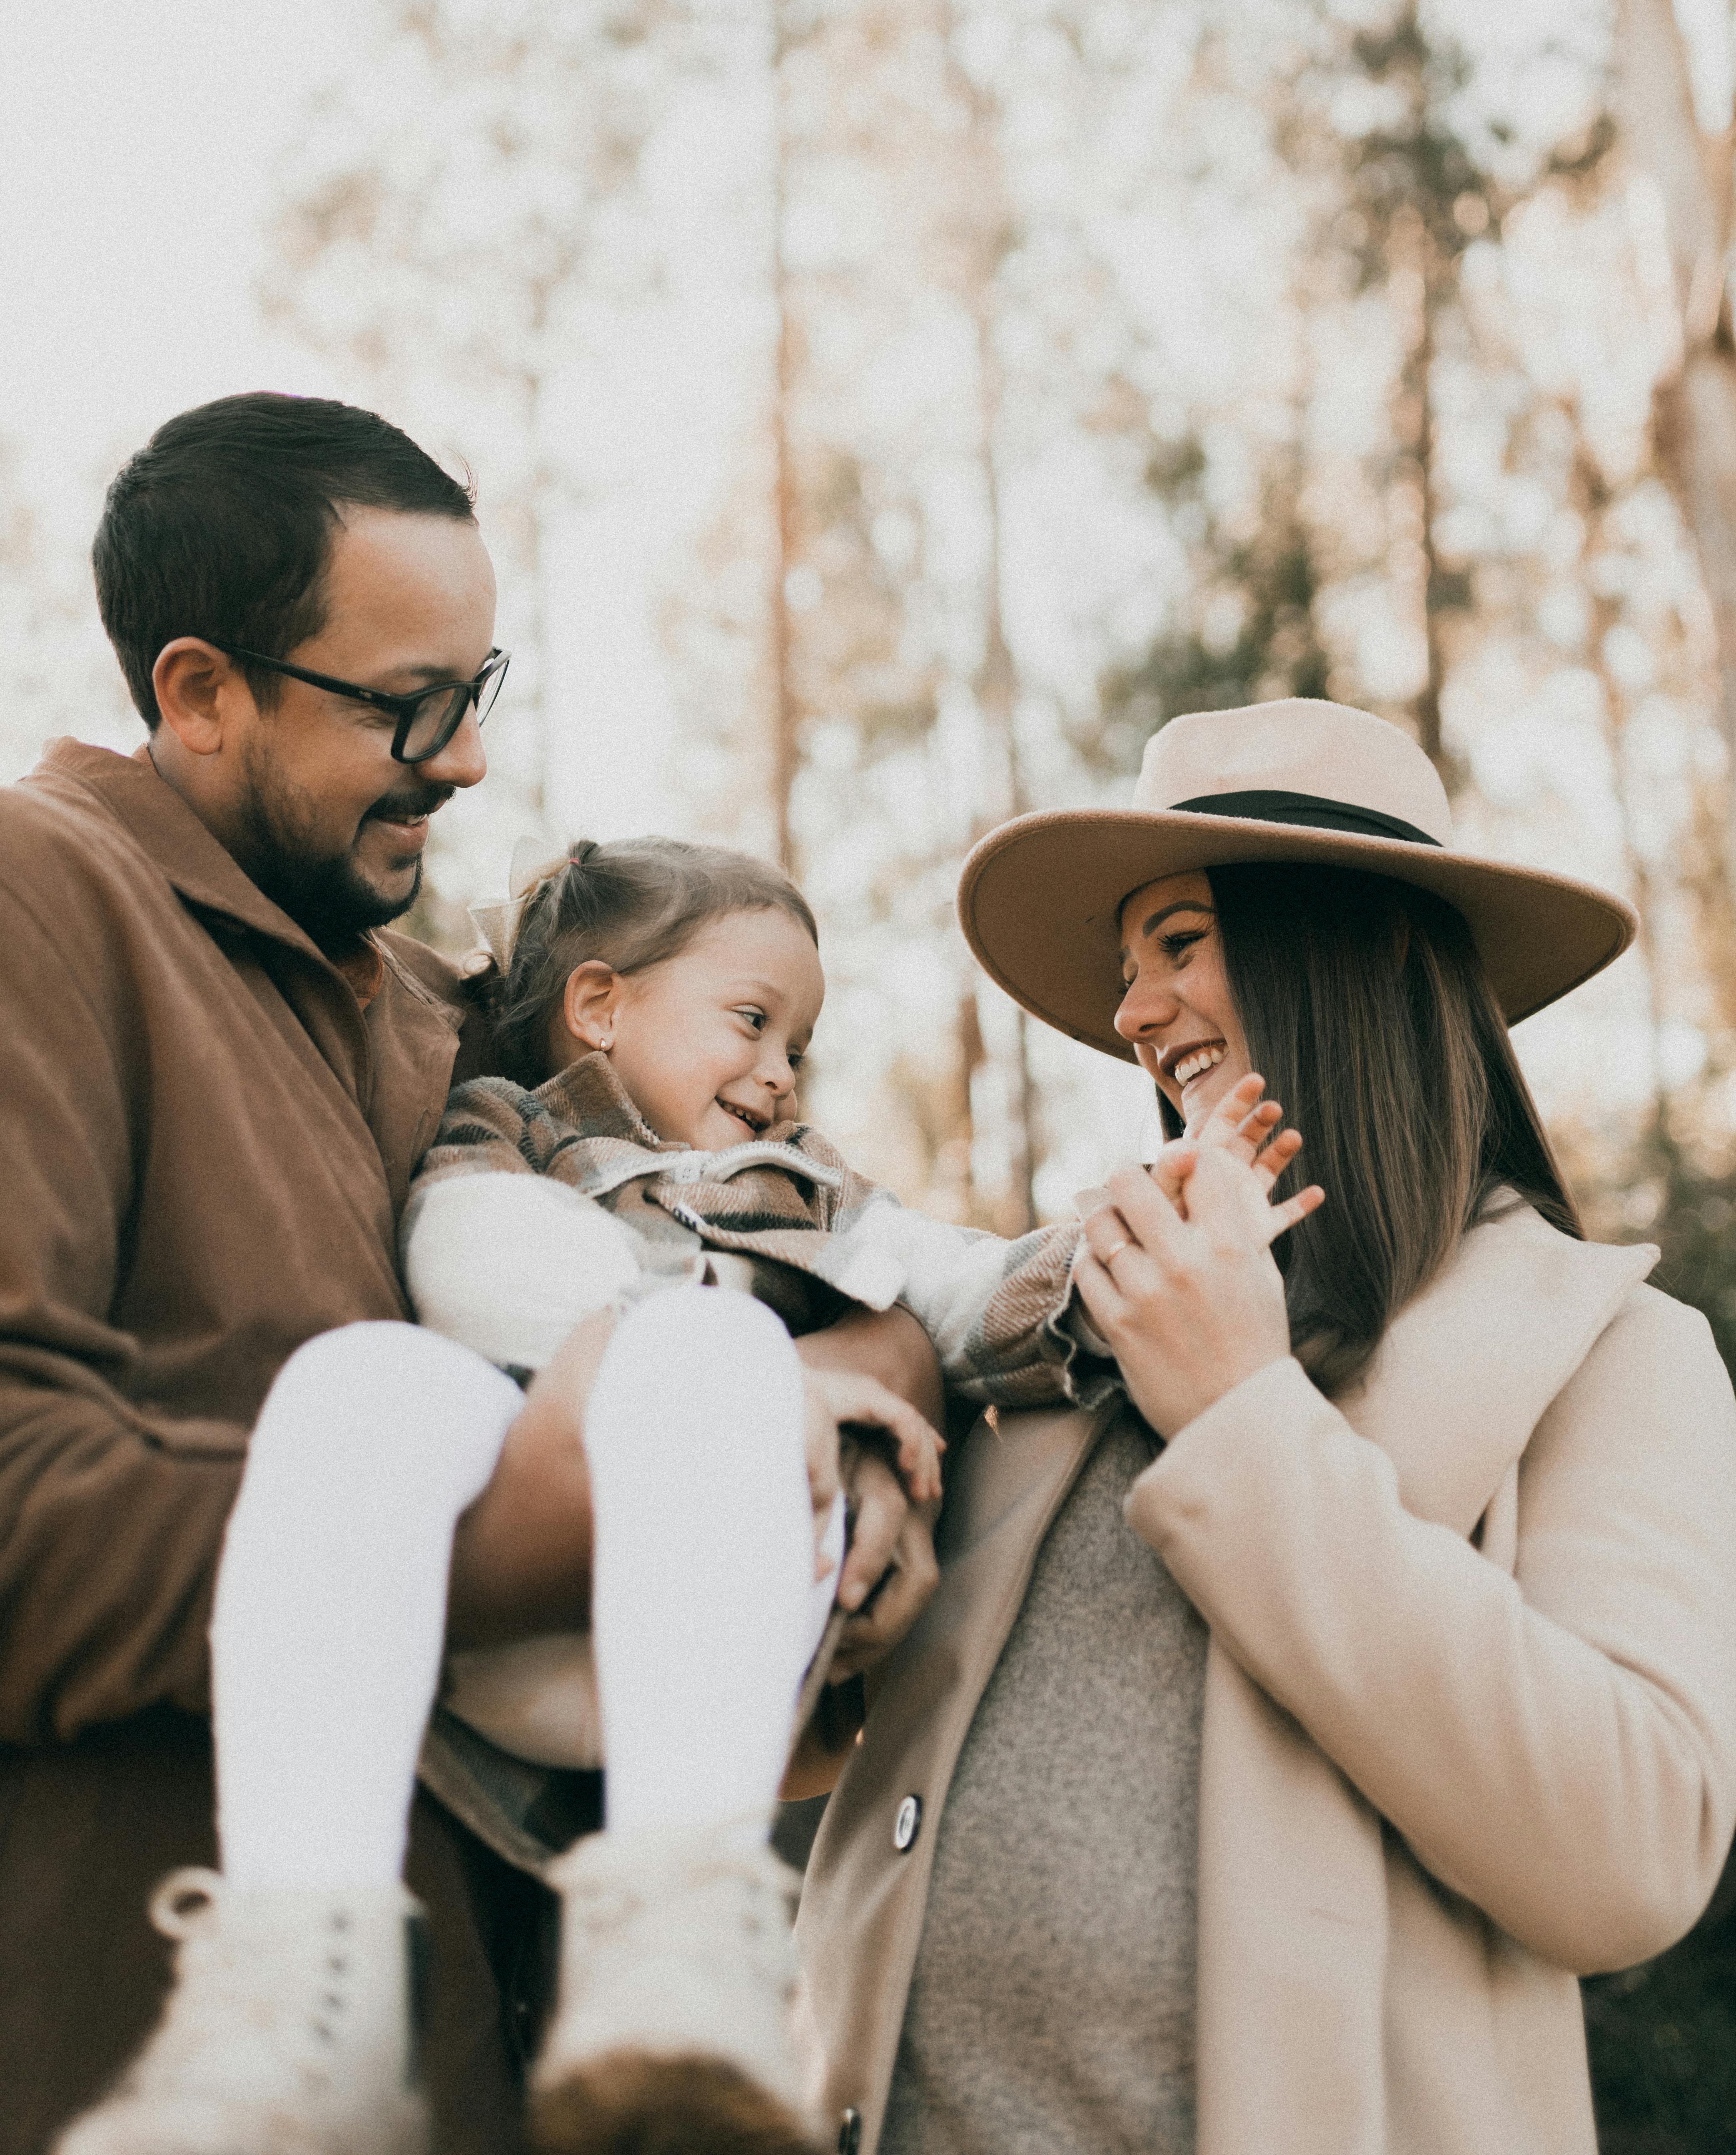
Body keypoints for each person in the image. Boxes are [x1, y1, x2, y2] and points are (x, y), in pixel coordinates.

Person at [0, 391, 943, 2155]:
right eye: (404, 706)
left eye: (478, 691)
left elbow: (778, 1231)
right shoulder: (39, 906)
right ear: (200, 693)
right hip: (122, 2048)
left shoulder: (448, 1012)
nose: (467, 761)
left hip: (528, 2072)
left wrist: (864, 1388)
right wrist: (505, 1542)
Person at [798, 695, 1736, 2155]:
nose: (1129, 1016)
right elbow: (828, 1729)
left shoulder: (1610, 1357)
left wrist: (1242, 1414)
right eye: (1128, 969)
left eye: (1180, 944)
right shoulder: (1063, 1324)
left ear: (1339, 953)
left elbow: (1628, 1855)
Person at [68, 832, 1091, 2155]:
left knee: (700, 1347)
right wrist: (744, 1349)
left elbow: (951, 1280)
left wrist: (1102, 1259)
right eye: (751, 1021)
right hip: (508, 1625)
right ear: (601, 1003)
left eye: (801, 1044)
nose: (781, 1074)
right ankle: (299, 1979)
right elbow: (467, 1264)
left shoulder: (815, 1197)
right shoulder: (514, 1141)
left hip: (708, 1654)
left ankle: (681, 1946)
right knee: (360, 1380)